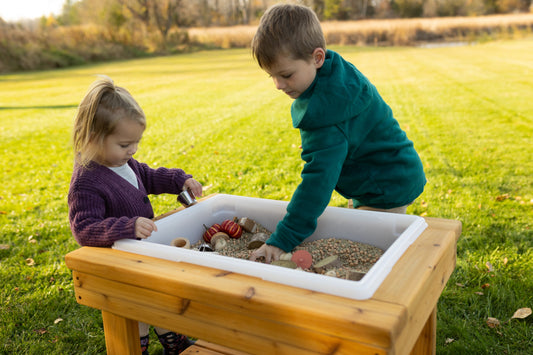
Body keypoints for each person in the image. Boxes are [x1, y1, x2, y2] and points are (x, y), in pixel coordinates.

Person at [249, 4, 426, 263]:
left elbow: (317, 184)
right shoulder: (335, 73)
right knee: (365, 233)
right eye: (272, 77)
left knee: (371, 256)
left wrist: (282, 239)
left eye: (286, 74)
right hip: (389, 174)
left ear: (317, 57)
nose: (278, 85)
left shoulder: (328, 115)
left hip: (386, 185)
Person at [68, 76, 201, 355]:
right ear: (93, 138)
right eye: (125, 144)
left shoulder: (123, 162)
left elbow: (149, 176)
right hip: (120, 263)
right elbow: (84, 228)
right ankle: (135, 349)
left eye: (136, 143)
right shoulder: (87, 181)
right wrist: (126, 226)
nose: (133, 151)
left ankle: (174, 344)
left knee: (160, 300)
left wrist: (180, 181)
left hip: (142, 255)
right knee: (136, 311)